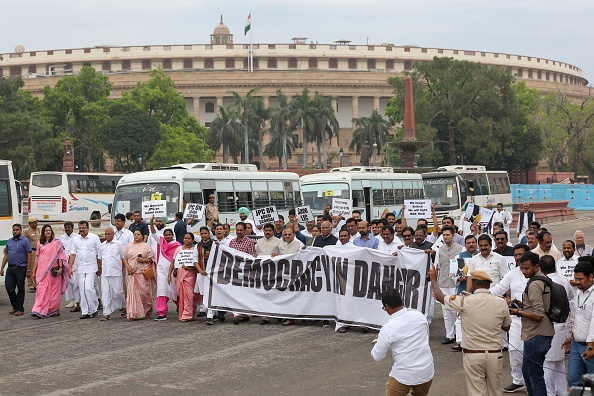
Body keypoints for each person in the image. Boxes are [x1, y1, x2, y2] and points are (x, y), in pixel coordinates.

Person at [430, 266, 511, 396]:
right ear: (489, 285)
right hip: (495, 354)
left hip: (473, 354)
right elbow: (506, 327)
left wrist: (433, 280)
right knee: (495, 391)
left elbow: (440, 297)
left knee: (477, 392)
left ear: (472, 284)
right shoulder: (501, 302)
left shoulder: (464, 301)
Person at [371, 289, 434, 396]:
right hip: (426, 370)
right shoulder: (420, 316)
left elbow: (377, 356)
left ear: (387, 307)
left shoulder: (387, 329)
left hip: (404, 374)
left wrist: (376, 341)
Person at [509, 252, 554, 396]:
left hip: (536, 335)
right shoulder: (541, 279)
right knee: (528, 372)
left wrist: (517, 312)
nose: (523, 271)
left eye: (526, 268)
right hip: (539, 335)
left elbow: (539, 315)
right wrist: (523, 305)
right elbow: (538, 305)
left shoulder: (535, 283)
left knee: (534, 376)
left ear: (536, 266)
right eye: (521, 268)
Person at [489, 243, 531, 393]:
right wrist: (482, 294)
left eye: (521, 254)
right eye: (516, 255)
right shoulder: (512, 273)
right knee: (514, 351)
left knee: (531, 352)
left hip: (534, 320)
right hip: (516, 319)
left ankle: (533, 381)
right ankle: (518, 380)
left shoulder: (536, 272)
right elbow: (499, 288)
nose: (518, 257)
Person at [539, 255, 574, 396]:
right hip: (562, 325)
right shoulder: (564, 279)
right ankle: (562, 392)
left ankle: (550, 393)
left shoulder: (543, 283)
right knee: (558, 361)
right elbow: (570, 297)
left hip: (549, 326)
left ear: (540, 269)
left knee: (547, 363)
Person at [563, 257, 594, 387]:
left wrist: (591, 345)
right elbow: (575, 315)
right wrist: (571, 336)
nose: (577, 282)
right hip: (576, 345)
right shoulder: (579, 293)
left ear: (591, 276)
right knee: (573, 381)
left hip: (590, 346)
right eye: (576, 279)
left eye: (580, 279)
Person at [30, 225, 68, 318]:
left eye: (49, 230)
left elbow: (60, 255)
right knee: (41, 290)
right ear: (43, 232)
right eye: (46, 230)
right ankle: (38, 309)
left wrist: (60, 268)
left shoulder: (56, 243)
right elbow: (37, 257)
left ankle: (53, 310)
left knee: (54, 291)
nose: (48, 232)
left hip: (53, 270)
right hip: (42, 271)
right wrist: (34, 270)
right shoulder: (40, 243)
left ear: (51, 232)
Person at [68, 221, 102, 319]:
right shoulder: (75, 239)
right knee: (82, 289)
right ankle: (85, 311)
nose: (81, 230)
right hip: (81, 267)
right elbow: (73, 254)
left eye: (83, 228)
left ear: (88, 228)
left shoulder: (94, 238)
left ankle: (94, 308)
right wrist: (70, 268)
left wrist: (100, 266)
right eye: (80, 228)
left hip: (91, 267)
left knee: (88, 287)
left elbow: (99, 253)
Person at [435, 226, 463, 345]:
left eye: (448, 235)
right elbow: (436, 267)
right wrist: (435, 285)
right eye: (444, 235)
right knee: (446, 311)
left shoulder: (461, 249)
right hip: (443, 283)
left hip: (455, 284)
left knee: (456, 311)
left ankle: (458, 335)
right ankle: (449, 335)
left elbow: (462, 267)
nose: (446, 237)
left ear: (453, 235)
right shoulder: (439, 250)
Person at [149, 215, 181, 321]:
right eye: (166, 235)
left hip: (173, 272)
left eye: (169, 235)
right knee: (162, 290)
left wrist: (176, 270)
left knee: (176, 291)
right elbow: (153, 232)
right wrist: (151, 221)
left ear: (172, 235)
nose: (167, 236)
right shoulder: (161, 242)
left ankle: (184, 309)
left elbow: (179, 260)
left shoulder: (177, 246)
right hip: (161, 270)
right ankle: (161, 313)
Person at [123, 230, 156, 321]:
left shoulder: (146, 246)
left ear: (142, 236)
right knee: (131, 293)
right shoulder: (129, 245)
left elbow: (152, 259)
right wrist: (128, 266)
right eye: (135, 234)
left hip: (141, 273)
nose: (136, 236)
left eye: (138, 234)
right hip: (131, 272)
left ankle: (148, 307)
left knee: (144, 292)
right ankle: (133, 313)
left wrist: (143, 260)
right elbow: (124, 257)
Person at [1, 224, 32, 316]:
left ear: (21, 231)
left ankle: (20, 308)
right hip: (10, 268)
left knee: (20, 288)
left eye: (17, 230)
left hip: (21, 268)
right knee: (9, 287)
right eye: (14, 230)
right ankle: (15, 306)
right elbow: (6, 255)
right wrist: (2, 267)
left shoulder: (25, 241)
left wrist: (28, 270)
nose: (15, 231)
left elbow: (29, 255)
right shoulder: (9, 241)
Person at [168, 232, 200, 323]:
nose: (186, 240)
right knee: (182, 295)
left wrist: (189, 268)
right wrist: (169, 274)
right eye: (185, 238)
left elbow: (197, 263)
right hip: (180, 273)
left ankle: (187, 314)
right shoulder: (178, 249)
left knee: (189, 294)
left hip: (191, 274)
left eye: (188, 238)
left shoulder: (195, 249)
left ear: (193, 240)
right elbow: (173, 262)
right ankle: (184, 312)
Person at [229, 222, 256, 325]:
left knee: (244, 293)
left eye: (241, 230)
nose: (239, 232)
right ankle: (237, 314)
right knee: (235, 293)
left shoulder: (249, 242)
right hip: (234, 271)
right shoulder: (232, 242)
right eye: (237, 230)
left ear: (245, 231)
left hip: (245, 272)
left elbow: (252, 257)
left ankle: (244, 314)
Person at [194, 226, 220, 325]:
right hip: (202, 274)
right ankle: (212, 312)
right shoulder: (198, 246)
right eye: (202, 234)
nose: (203, 235)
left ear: (209, 234)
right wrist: (201, 271)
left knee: (212, 294)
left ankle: (210, 315)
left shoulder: (215, 244)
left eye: (205, 233)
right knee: (205, 294)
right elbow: (195, 260)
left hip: (213, 274)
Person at [99, 227, 125, 321]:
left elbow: (123, 257)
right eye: (105, 234)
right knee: (105, 293)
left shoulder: (119, 244)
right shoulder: (102, 246)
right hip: (105, 272)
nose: (107, 236)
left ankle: (123, 307)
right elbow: (100, 258)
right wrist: (99, 269)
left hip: (116, 272)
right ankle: (106, 313)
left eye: (109, 234)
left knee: (118, 292)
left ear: (113, 234)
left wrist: (125, 268)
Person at [60, 221, 78, 309]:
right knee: (68, 282)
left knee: (75, 282)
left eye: (69, 228)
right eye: (66, 228)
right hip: (65, 262)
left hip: (74, 262)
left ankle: (77, 301)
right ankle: (72, 300)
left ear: (72, 228)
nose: (67, 229)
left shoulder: (77, 237)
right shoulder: (61, 238)